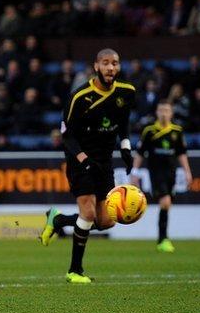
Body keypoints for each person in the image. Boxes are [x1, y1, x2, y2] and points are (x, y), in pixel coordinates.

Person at [39, 48, 135, 284]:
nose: (110, 68)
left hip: (104, 160)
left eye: (115, 63)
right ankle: (74, 271)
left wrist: (125, 147)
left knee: (105, 221)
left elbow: (123, 122)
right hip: (79, 158)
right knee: (88, 212)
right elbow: (67, 136)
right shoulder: (80, 97)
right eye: (105, 63)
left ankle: (58, 219)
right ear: (96, 66)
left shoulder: (127, 92)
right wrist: (84, 160)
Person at [131, 101, 192, 252]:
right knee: (165, 202)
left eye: (166, 110)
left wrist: (187, 171)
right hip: (156, 172)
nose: (164, 113)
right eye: (161, 110)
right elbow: (140, 153)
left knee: (167, 204)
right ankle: (163, 239)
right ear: (157, 112)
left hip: (171, 172)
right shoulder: (149, 131)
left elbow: (181, 153)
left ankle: (162, 239)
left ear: (171, 113)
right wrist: (134, 172)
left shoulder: (177, 131)